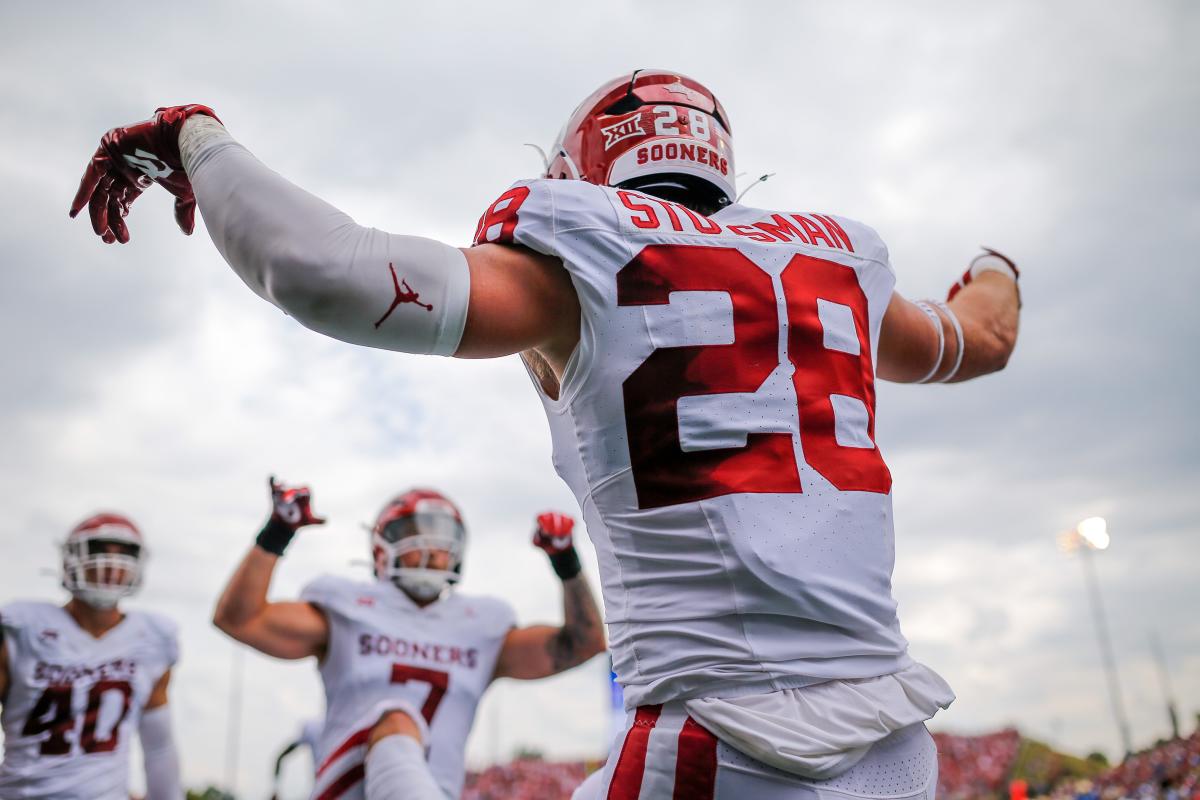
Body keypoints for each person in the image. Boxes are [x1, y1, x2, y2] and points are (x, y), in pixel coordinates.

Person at [70, 68, 1022, 798]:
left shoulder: (583, 252)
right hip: (898, 744)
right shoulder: (841, 264)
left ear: (586, 169)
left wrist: (195, 139)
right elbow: (985, 337)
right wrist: (995, 259)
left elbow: (324, 272)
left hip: (722, 739)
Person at [211, 478, 604, 800]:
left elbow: (582, 644)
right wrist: (277, 531)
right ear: (380, 547)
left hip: (436, 790)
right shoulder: (350, 606)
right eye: (415, 534)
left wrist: (566, 561)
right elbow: (240, 620)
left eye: (440, 536)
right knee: (395, 716)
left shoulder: (481, 625)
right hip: (348, 787)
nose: (431, 548)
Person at [0, 513, 183, 800]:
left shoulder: (152, 639)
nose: (111, 564)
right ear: (71, 558)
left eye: (124, 553)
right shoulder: (23, 627)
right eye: (100, 550)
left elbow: (158, 746)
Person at [270, 717, 323, 800]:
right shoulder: (314, 726)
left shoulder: (313, 726)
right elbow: (280, 757)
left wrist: (276, 786)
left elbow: (280, 757)